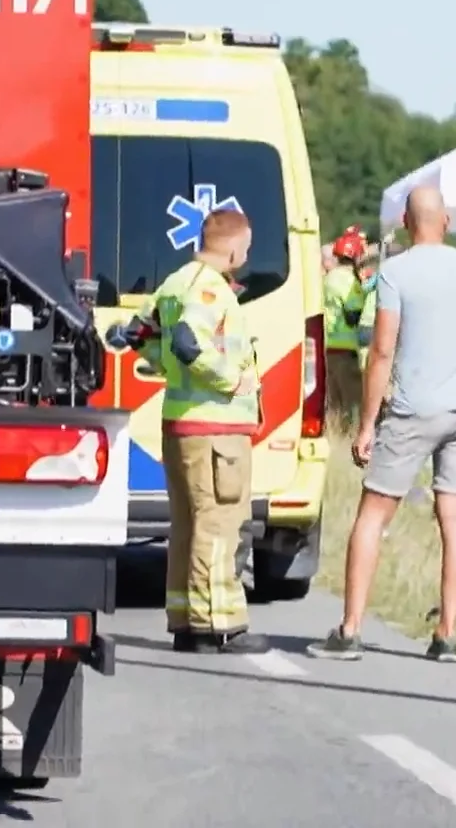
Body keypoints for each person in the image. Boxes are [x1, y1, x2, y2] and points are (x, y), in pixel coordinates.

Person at [308, 186, 456, 664]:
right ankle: (448, 632)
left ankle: (351, 628)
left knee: (374, 513)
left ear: (405, 221)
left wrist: (368, 423)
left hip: (414, 406)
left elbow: (381, 350)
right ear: (448, 221)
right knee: (455, 517)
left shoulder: (396, 272)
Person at [110, 209, 269, 655]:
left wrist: (165, 365)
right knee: (219, 524)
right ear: (235, 247)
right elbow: (188, 339)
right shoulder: (211, 289)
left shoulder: (177, 281)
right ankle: (219, 626)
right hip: (216, 427)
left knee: (188, 526)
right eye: (248, 247)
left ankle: (185, 621)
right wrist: (229, 380)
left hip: (180, 423)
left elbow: (138, 332)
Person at [321, 227, 368, 431]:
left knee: (334, 405)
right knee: (352, 405)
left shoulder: (329, 277)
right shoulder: (349, 281)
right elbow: (353, 315)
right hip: (346, 350)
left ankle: (334, 439)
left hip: (327, 347)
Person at [353, 252, 381, 373]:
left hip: (365, 321)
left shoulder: (378, 276)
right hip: (376, 322)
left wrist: (363, 279)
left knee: (363, 352)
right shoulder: (388, 277)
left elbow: (364, 288)